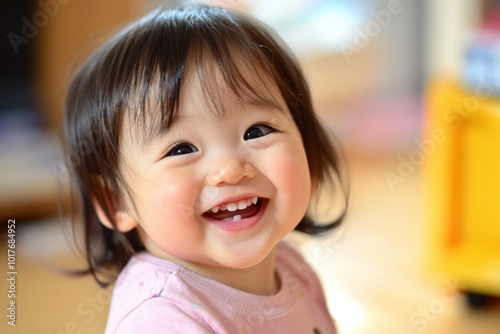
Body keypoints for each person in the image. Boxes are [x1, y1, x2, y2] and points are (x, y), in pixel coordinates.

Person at [64, 2, 348, 333]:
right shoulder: (162, 319)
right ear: (115, 203)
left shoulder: (290, 265)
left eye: (256, 131)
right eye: (182, 148)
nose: (230, 168)